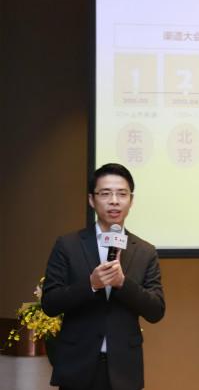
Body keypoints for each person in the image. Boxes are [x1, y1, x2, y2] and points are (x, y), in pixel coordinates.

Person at [42, 163, 165, 390]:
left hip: (124, 369)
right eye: (105, 193)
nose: (114, 201)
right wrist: (91, 284)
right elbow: (50, 303)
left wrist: (122, 284)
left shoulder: (145, 251)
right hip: (77, 365)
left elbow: (156, 310)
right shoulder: (68, 245)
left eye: (122, 194)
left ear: (131, 201)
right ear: (92, 199)